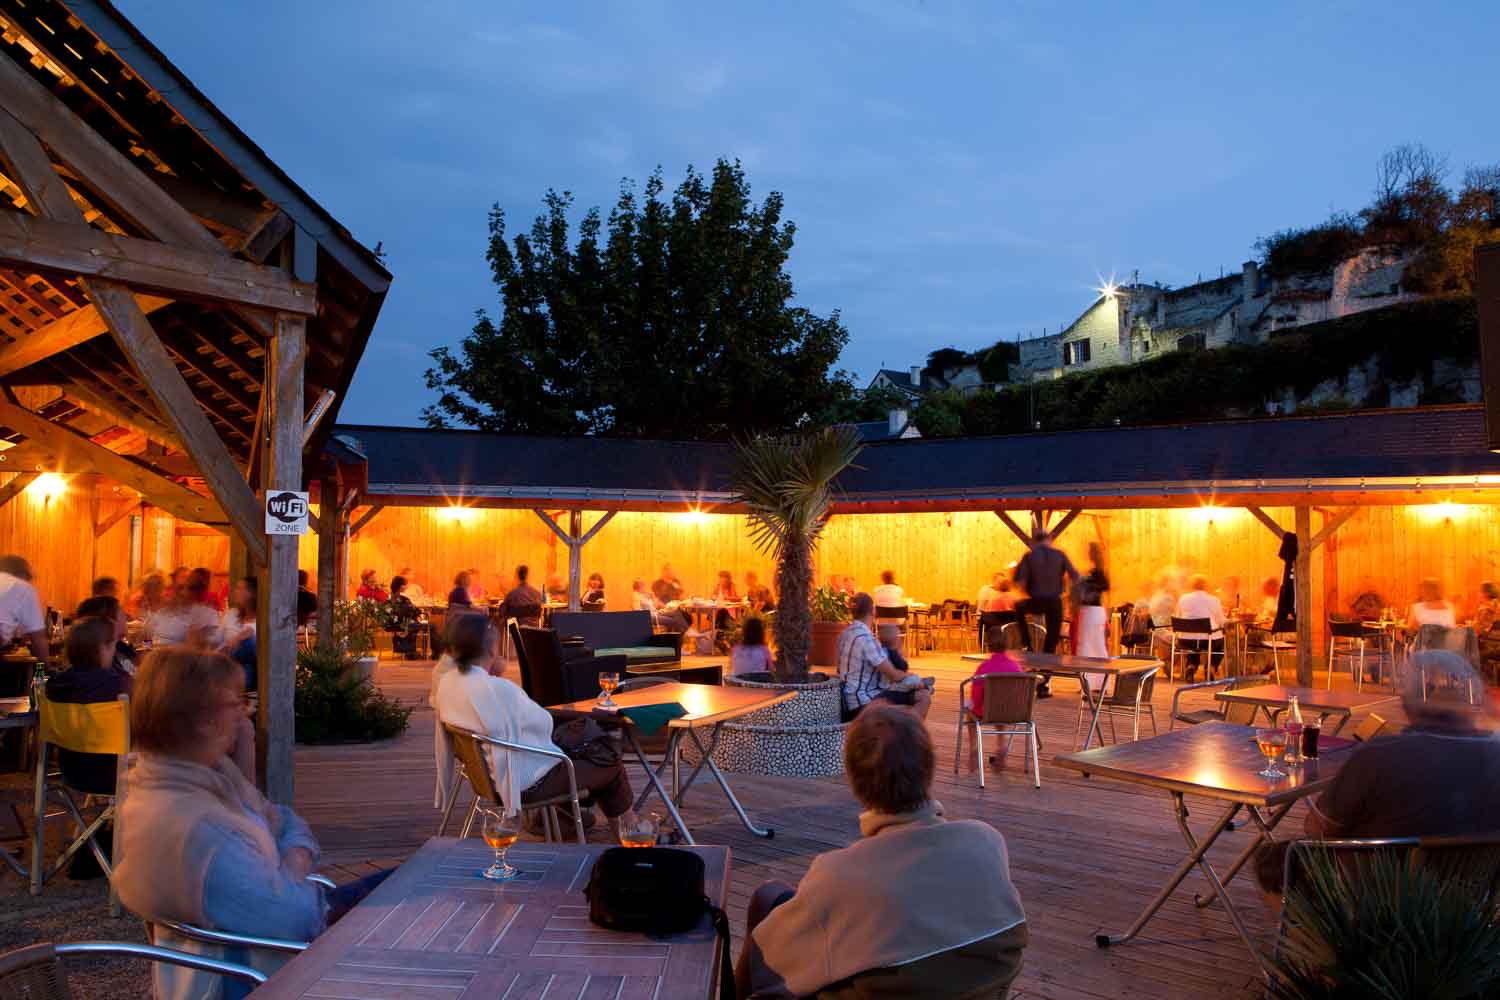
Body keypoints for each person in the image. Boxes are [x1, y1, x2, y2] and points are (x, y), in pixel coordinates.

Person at [114, 648, 389, 999]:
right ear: (204, 719)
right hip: (255, 975)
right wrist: (293, 861)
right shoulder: (204, 831)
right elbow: (300, 921)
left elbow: (284, 819)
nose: (244, 714)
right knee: (423, 896)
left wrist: (285, 862)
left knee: (416, 878)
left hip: (254, 937)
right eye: (237, 702)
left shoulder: (181, 779)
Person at [736, 705, 1027, 998]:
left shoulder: (838, 875)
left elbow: (773, 967)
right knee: (772, 899)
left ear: (854, 782)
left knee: (768, 903)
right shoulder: (986, 841)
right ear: (929, 770)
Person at [1255, 651, 1500, 899]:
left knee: (1273, 860)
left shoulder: (1379, 755)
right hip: (1471, 907)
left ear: (1406, 703)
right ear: (1474, 700)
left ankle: (1314, 936)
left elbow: (1317, 829)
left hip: (1379, 901)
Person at [432, 614, 641, 838]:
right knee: (608, 760)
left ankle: (566, 819)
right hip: (523, 783)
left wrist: (490, 673)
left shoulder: (447, 683)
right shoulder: (499, 690)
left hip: (487, 777)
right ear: (492, 649)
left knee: (584, 750)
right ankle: (631, 832)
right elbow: (544, 723)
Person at [45, 615, 132, 880]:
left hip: (71, 772)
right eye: (112, 646)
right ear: (103, 649)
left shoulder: (54, 686)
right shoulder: (117, 686)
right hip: (114, 774)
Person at [1004, 531, 1079, 696]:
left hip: (1036, 601)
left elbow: (1017, 580)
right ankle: (1043, 684)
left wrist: (1018, 571)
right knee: (1050, 645)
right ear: (1050, 540)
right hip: (1054, 602)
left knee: (1019, 607)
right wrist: (1071, 597)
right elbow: (1075, 575)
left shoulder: (1029, 556)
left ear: (1035, 542)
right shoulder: (1060, 555)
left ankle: (1027, 642)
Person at [837, 593, 931, 721]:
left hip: (845, 702)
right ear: (873, 611)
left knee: (906, 688)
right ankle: (909, 735)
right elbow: (894, 675)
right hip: (863, 702)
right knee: (923, 696)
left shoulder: (844, 634)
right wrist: (913, 678)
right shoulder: (866, 639)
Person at [146, 573, 221, 648]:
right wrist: (147, 649)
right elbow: (146, 638)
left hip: (180, 657)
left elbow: (212, 646)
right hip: (156, 656)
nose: (176, 591)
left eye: (181, 588)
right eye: (170, 588)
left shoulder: (207, 615)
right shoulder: (161, 613)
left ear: (194, 592)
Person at [1175, 574, 1226, 682]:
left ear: (1191, 586)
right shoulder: (1214, 600)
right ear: (1206, 586)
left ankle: (1191, 667)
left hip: (1185, 640)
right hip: (1208, 640)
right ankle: (1211, 668)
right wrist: (1227, 622)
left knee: (1194, 645)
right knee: (1220, 644)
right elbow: (1221, 621)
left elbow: (1177, 617)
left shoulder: (1183, 599)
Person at [0, 554, 47, 659]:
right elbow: (38, 639)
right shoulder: (22, 587)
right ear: (22, 574)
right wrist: (46, 669)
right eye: (28, 578)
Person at [76, 595, 135, 674]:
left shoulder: (120, 650)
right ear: (110, 621)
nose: (127, 616)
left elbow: (133, 672)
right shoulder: (101, 664)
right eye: (122, 613)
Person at [218, 577, 258, 690]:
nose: (235, 591)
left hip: (246, 664)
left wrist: (239, 638)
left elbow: (251, 639)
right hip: (224, 659)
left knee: (248, 643)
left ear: (252, 594)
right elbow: (217, 638)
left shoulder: (262, 619)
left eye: (240, 588)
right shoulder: (231, 614)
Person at [1072, 542, 1110, 659]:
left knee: (1085, 645)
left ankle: (1085, 674)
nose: (1087, 553)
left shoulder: (1095, 573)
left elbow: (1102, 586)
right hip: (1098, 612)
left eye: (1089, 551)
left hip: (1090, 611)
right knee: (1098, 646)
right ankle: (1103, 676)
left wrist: (1083, 584)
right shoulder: (1099, 571)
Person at [387, 576, 423, 658]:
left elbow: (412, 610)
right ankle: (409, 651)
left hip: (394, 623)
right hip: (399, 624)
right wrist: (416, 614)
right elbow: (413, 610)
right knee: (419, 625)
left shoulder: (391, 597)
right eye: (405, 585)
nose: (407, 586)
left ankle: (409, 650)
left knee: (414, 624)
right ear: (401, 586)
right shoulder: (401, 599)